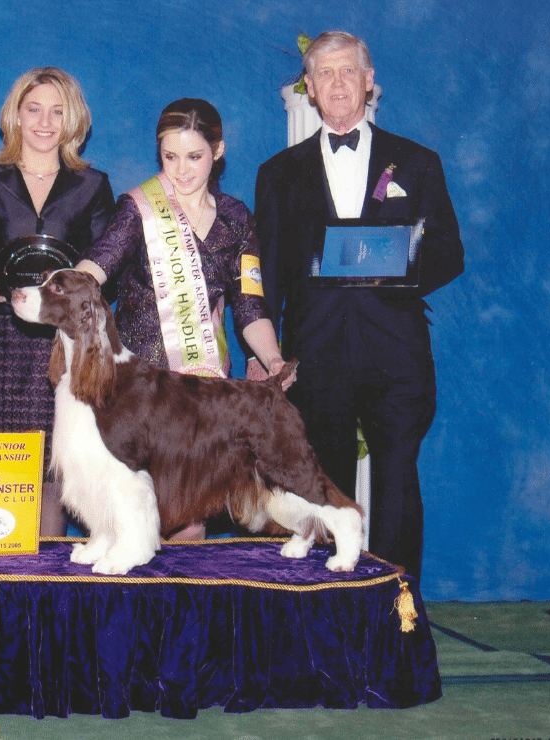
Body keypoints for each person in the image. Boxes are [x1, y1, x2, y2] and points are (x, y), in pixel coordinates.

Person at [254, 31, 465, 579]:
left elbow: (449, 253)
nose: (339, 83)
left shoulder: (417, 163)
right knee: (322, 490)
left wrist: (396, 266)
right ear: (310, 89)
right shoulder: (277, 174)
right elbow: (267, 274)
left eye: (349, 71)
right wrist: (265, 351)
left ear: (370, 83)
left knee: (397, 484)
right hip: (315, 358)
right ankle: (329, 618)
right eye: (326, 73)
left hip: (397, 356)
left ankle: (397, 613)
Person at [79, 98, 292, 540]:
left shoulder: (236, 218)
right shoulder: (138, 208)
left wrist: (272, 360)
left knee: (191, 513)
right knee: (139, 510)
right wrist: (59, 287)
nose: (180, 170)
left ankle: (182, 606)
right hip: (139, 390)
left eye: (194, 156)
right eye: (170, 156)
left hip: (201, 385)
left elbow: (250, 303)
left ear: (218, 151)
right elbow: (97, 266)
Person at [0, 67, 115, 535]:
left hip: (62, 346)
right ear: (16, 115)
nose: (45, 122)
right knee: (0, 471)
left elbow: (104, 269)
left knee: (56, 468)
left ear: (73, 120)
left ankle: (47, 586)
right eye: (34, 109)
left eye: (57, 111)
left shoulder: (92, 185)